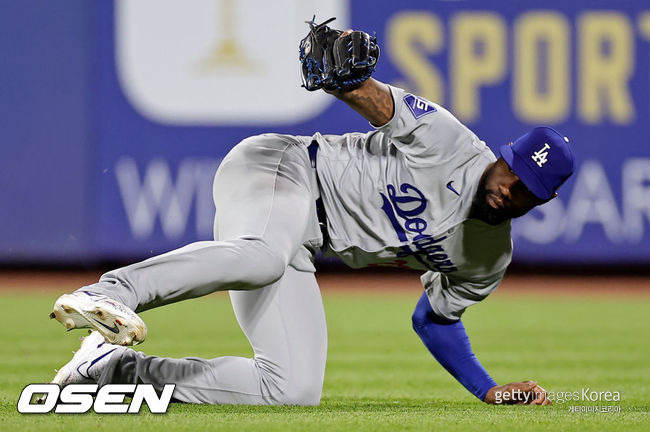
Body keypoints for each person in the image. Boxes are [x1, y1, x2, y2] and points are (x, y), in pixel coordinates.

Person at [45, 26, 574, 407]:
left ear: (541, 202)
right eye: (513, 172)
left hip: (302, 244)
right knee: (261, 255)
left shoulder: (488, 258)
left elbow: (434, 320)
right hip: (284, 169)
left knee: (292, 389)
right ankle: (114, 292)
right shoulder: (451, 143)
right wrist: (342, 76)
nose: (511, 189)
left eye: (527, 191)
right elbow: (373, 98)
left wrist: (488, 389)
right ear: (503, 155)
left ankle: (111, 369)